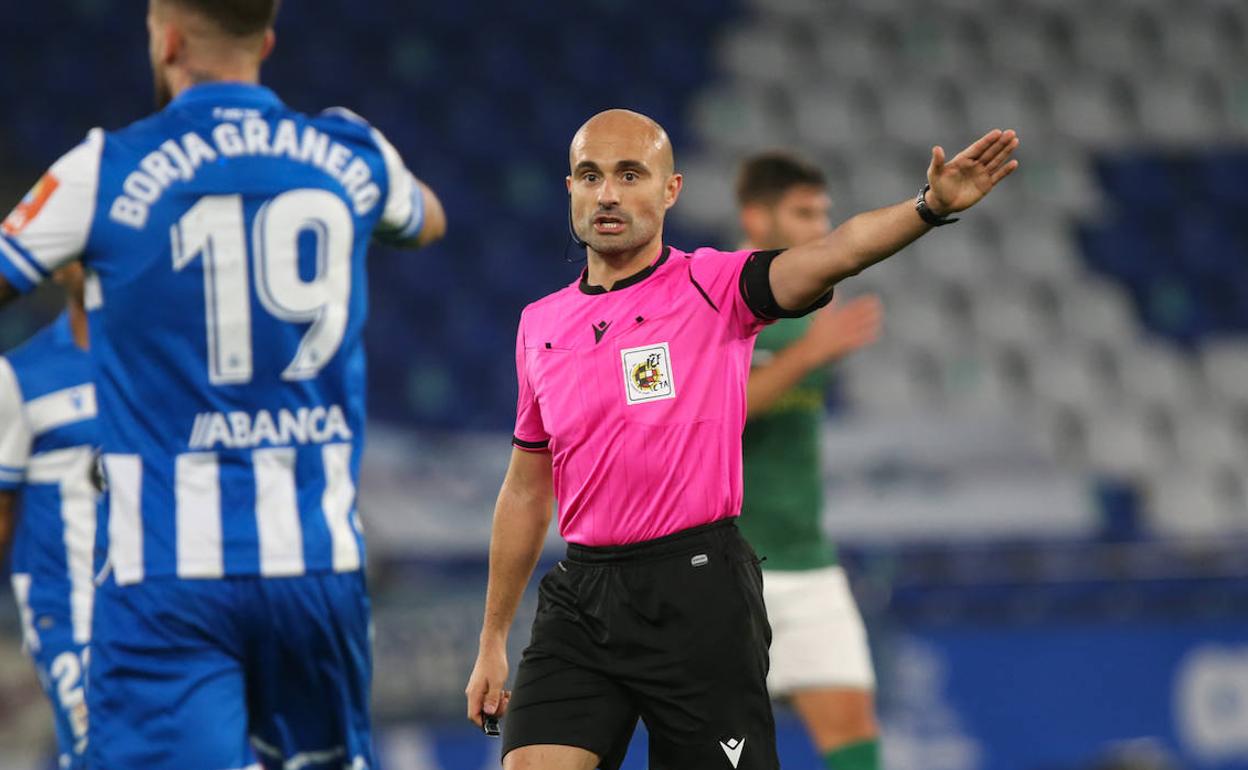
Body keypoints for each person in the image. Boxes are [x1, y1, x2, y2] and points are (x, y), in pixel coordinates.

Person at [464, 108, 1018, 770]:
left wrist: (929, 206)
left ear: (670, 191)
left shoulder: (714, 285)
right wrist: (493, 638)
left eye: (629, 174)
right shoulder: (540, 325)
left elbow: (839, 250)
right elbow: (526, 490)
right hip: (582, 593)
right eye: (591, 176)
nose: (608, 193)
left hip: (697, 588)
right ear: (571, 189)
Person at [0, 1, 446, 767]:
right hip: (315, 562)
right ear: (266, 39)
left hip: (167, 575)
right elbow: (428, 219)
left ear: (168, 38)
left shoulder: (103, 168)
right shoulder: (348, 150)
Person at [736, 152, 883, 770]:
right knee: (726, 747)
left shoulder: (813, 302)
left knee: (853, 735)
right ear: (756, 215)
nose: (819, 225)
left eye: (823, 211)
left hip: (808, 557)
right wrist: (807, 355)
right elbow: (710, 414)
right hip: (730, 565)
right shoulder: (722, 298)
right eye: (802, 213)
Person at [0, 264, 96, 770]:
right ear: (59, 265)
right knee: (104, 751)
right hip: (73, 613)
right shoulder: (19, 376)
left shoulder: (167, 365)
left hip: (168, 605)